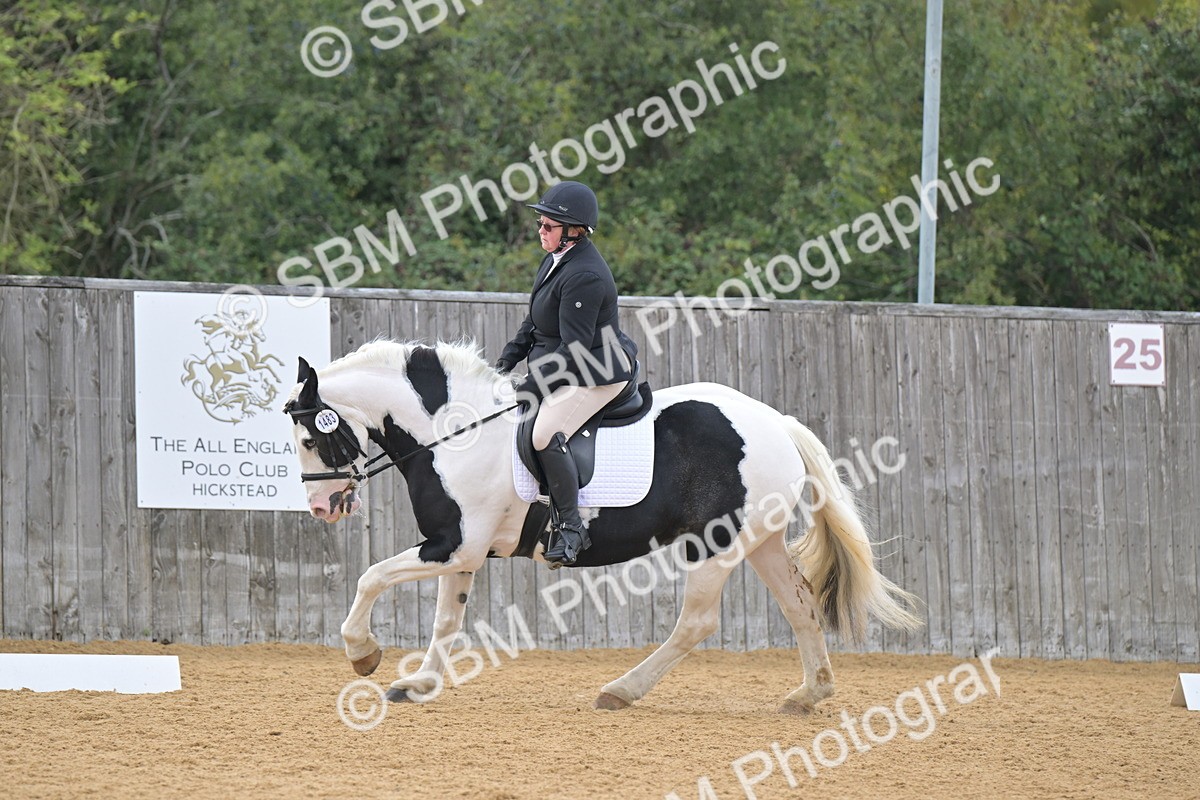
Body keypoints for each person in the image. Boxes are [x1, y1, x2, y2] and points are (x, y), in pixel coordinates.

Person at [494, 181, 639, 566]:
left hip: (596, 370)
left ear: (574, 230)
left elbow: (573, 350)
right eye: (541, 223)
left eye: (548, 225)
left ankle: (573, 528)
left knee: (544, 434)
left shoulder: (585, 276)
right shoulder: (556, 259)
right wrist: (505, 361)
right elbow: (537, 321)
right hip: (566, 364)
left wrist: (532, 386)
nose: (540, 230)